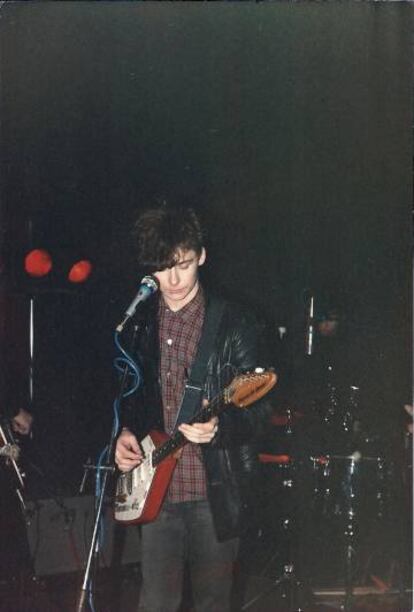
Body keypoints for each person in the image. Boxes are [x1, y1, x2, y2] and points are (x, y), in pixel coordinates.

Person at [114, 205, 273, 612]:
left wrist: (220, 427)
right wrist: (124, 433)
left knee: (213, 604)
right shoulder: (140, 323)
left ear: (201, 256)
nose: (173, 279)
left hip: (213, 494)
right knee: (155, 604)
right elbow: (128, 394)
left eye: (183, 264)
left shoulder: (235, 323)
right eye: (163, 268)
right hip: (157, 492)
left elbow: (258, 415)